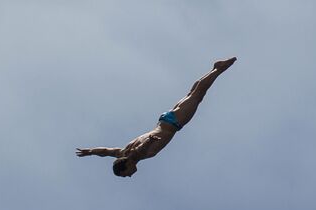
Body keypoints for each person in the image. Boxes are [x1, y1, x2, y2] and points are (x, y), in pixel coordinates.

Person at [77, 57, 236, 177]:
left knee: (198, 95)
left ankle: (218, 70)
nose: (131, 175)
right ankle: (214, 69)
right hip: (164, 120)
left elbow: (142, 148)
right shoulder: (121, 152)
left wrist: (150, 141)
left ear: (126, 165)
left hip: (174, 123)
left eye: (127, 174)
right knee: (192, 94)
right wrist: (90, 151)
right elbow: (105, 151)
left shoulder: (134, 155)